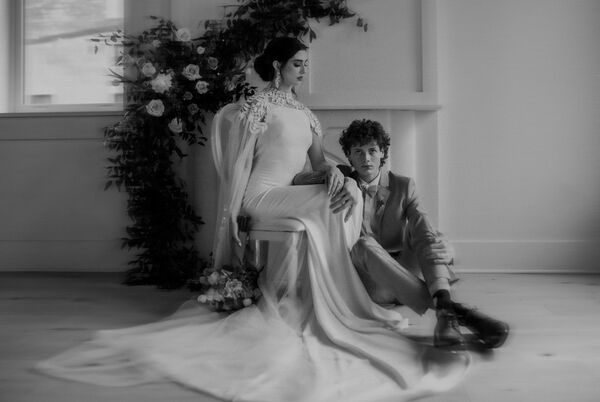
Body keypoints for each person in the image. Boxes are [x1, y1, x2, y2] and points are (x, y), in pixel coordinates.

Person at [35, 38, 469, 402]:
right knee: (345, 195)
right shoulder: (255, 107)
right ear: (277, 65)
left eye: (306, 64)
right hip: (261, 197)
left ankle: (343, 295)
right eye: (298, 64)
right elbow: (239, 166)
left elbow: (316, 164)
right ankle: (345, 297)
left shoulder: (307, 114)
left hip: (291, 194)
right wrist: (235, 214)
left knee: (351, 188)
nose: (304, 70)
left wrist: (336, 172)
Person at [338, 118, 510, 350]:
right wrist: (342, 178)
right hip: (371, 281)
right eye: (358, 152)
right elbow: (305, 177)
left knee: (422, 229)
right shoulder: (341, 182)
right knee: (363, 244)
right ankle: (456, 310)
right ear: (349, 156)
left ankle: (446, 314)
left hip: (406, 267)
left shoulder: (403, 185)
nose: (366, 158)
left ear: (383, 153)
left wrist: (444, 244)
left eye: (372, 151)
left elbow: (423, 225)